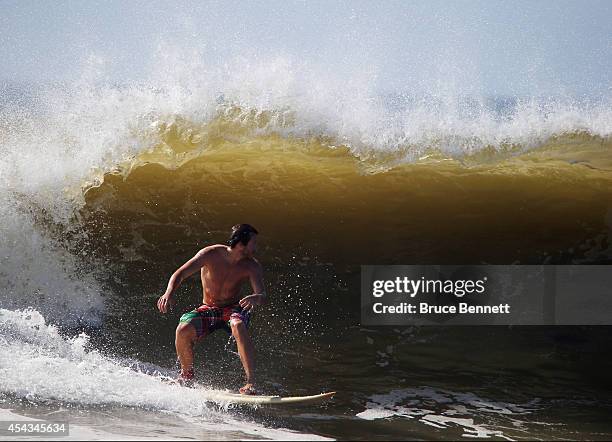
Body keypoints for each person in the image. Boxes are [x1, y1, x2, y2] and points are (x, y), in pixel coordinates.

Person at [156, 224, 266, 395]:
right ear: (241, 244)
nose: (256, 247)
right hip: (209, 308)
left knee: (237, 324)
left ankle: (250, 383)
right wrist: (168, 293)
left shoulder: (252, 266)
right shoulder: (211, 254)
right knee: (183, 329)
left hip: (233, 308)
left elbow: (261, 294)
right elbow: (180, 273)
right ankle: (187, 375)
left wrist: (256, 297)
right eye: (254, 243)